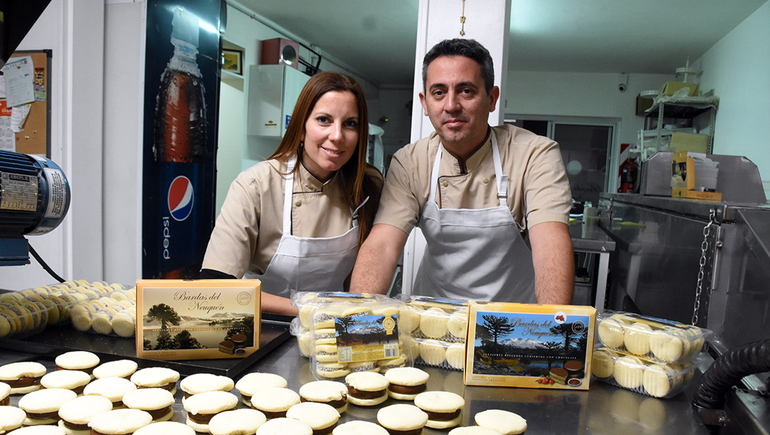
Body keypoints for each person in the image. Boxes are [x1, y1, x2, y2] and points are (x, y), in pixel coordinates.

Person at [350, 38, 574, 304]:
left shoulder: (534, 154)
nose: (451, 105)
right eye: (438, 92)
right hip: (433, 317)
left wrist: (552, 325)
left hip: (510, 322)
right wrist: (357, 316)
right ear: (424, 103)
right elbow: (383, 245)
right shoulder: (410, 162)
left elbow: (550, 244)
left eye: (466, 91)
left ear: (491, 99)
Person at [201, 71, 382, 315]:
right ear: (300, 128)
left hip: (330, 332)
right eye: (324, 120)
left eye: (350, 123)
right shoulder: (256, 185)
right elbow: (215, 286)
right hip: (262, 330)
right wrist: (310, 311)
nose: (337, 136)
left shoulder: (367, 186)